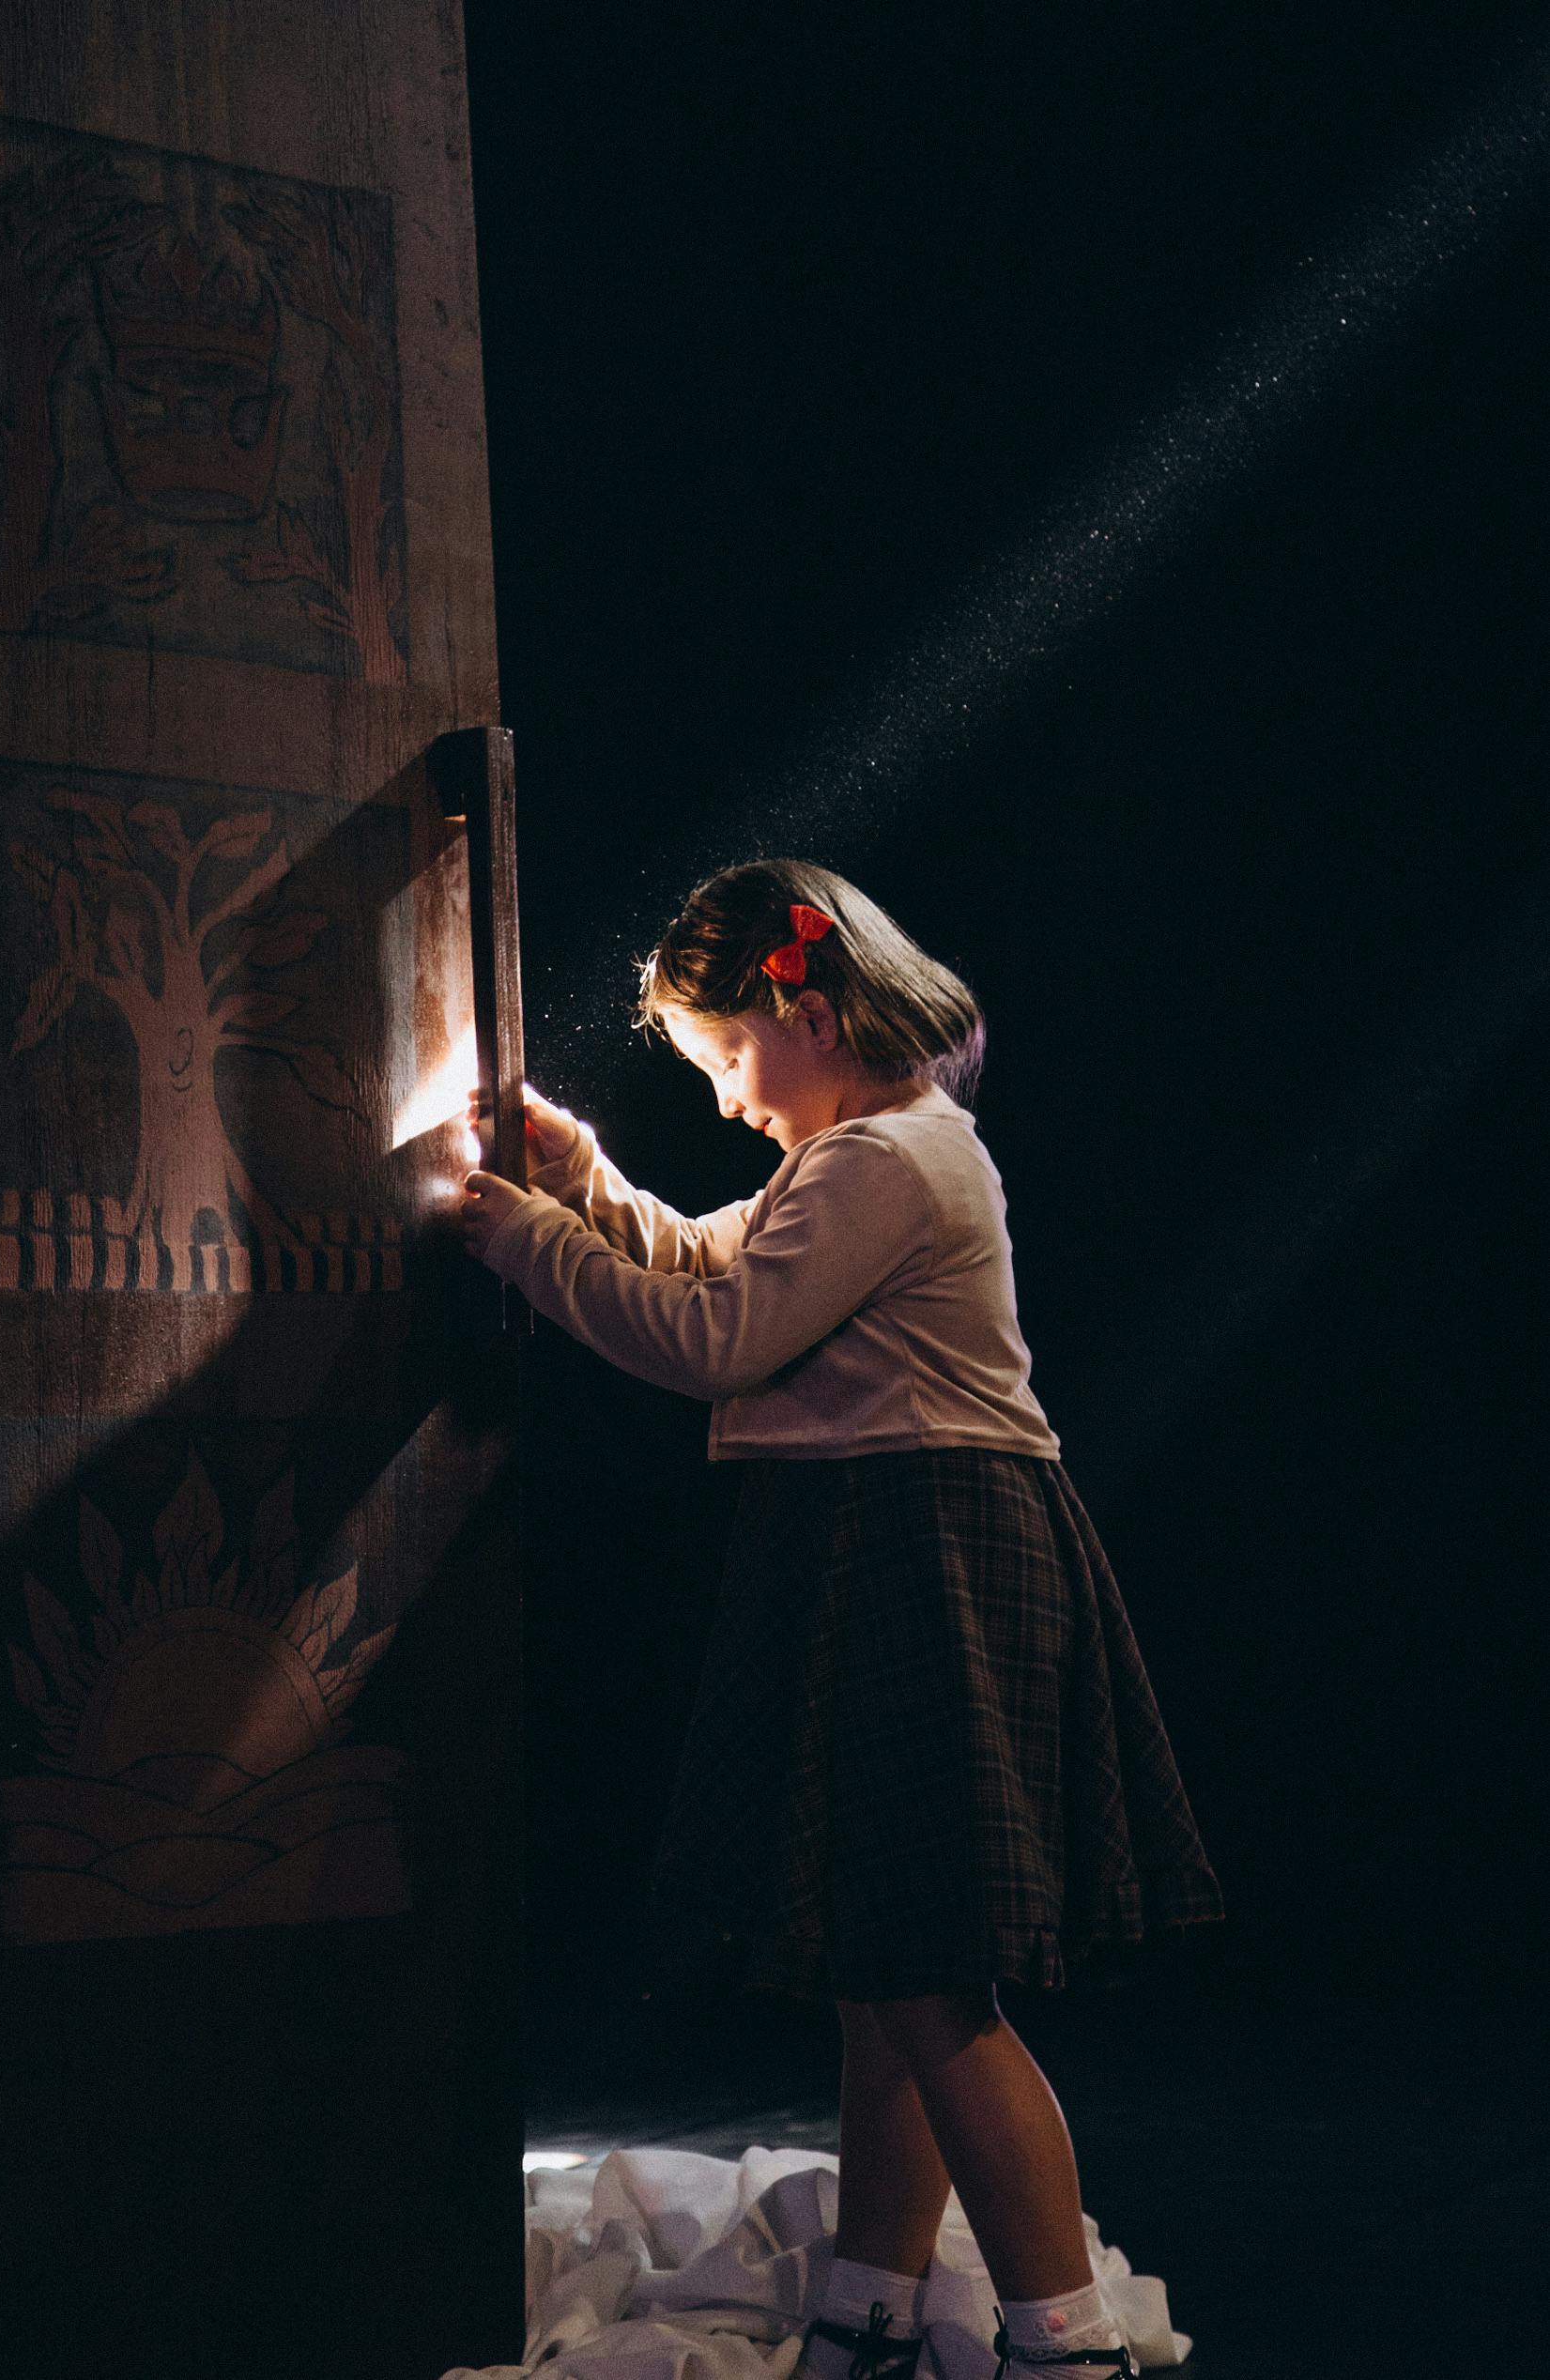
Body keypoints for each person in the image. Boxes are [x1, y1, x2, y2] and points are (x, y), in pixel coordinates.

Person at [462, 858, 1223, 2380]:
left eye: (727, 1057)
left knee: (929, 1978)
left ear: (805, 1012)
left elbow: (716, 1336)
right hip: (879, 1542)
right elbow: (717, 1260)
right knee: (887, 1972)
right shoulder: (865, 1155)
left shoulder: (888, 1159)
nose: (728, 1099)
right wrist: (583, 1182)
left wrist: (520, 1239)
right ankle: (868, 2304)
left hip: (926, 1549)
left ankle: (1061, 2340)